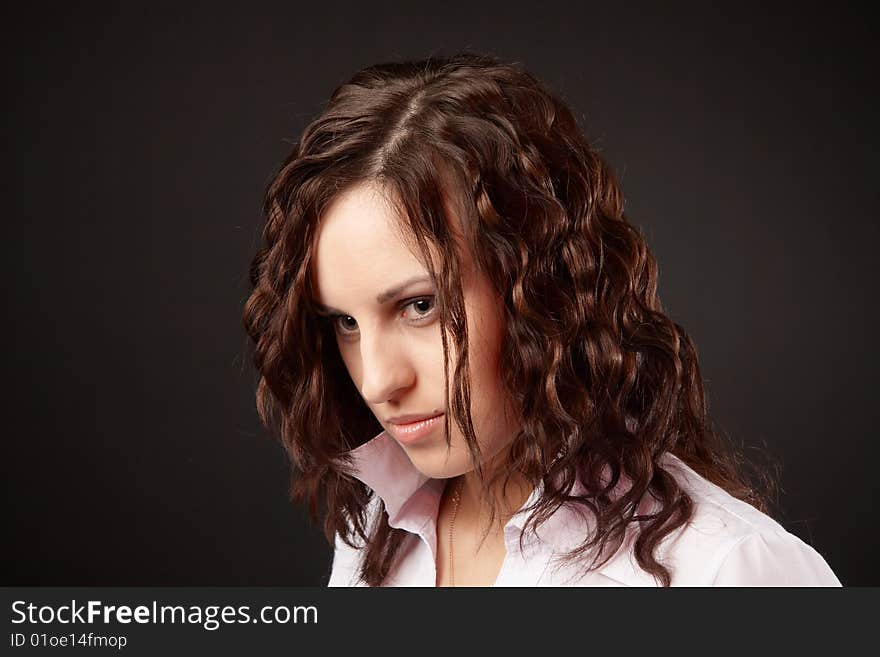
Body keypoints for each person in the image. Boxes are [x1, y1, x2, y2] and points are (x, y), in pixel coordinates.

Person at [242, 52, 840, 586]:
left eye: (420, 306)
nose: (377, 381)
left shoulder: (726, 570)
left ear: (542, 288)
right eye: (345, 323)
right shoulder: (372, 539)